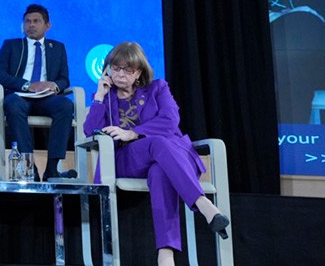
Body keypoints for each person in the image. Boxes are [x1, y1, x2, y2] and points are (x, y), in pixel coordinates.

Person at [83, 42, 230, 266]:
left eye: (128, 69)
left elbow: (171, 121)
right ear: (107, 69)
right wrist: (100, 96)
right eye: (116, 67)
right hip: (126, 161)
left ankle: (166, 254)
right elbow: (89, 131)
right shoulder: (105, 96)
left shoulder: (157, 88)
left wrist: (132, 133)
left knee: (160, 171)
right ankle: (202, 203)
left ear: (139, 72)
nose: (120, 74)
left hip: (168, 160)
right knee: (157, 143)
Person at [0, 4, 77, 181]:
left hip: (46, 98)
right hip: (19, 96)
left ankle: (52, 169)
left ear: (47, 25)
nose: (31, 25)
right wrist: (28, 85)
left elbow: (64, 79)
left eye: (36, 21)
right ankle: (28, 166)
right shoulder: (12, 45)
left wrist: (53, 85)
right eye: (27, 21)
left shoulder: (58, 48)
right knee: (13, 104)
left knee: (66, 105)